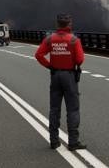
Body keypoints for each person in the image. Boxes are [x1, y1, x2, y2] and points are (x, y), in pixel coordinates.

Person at [35, 14, 86, 151]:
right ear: (69, 24)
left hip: (55, 75)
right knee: (73, 109)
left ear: (58, 25)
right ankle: (73, 142)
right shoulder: (74, 40)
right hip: (69, 76)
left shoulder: (50, 39)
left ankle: (54, 141)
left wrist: (49, 65)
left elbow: (38, 55)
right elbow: (80, 60)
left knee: (54, 109)